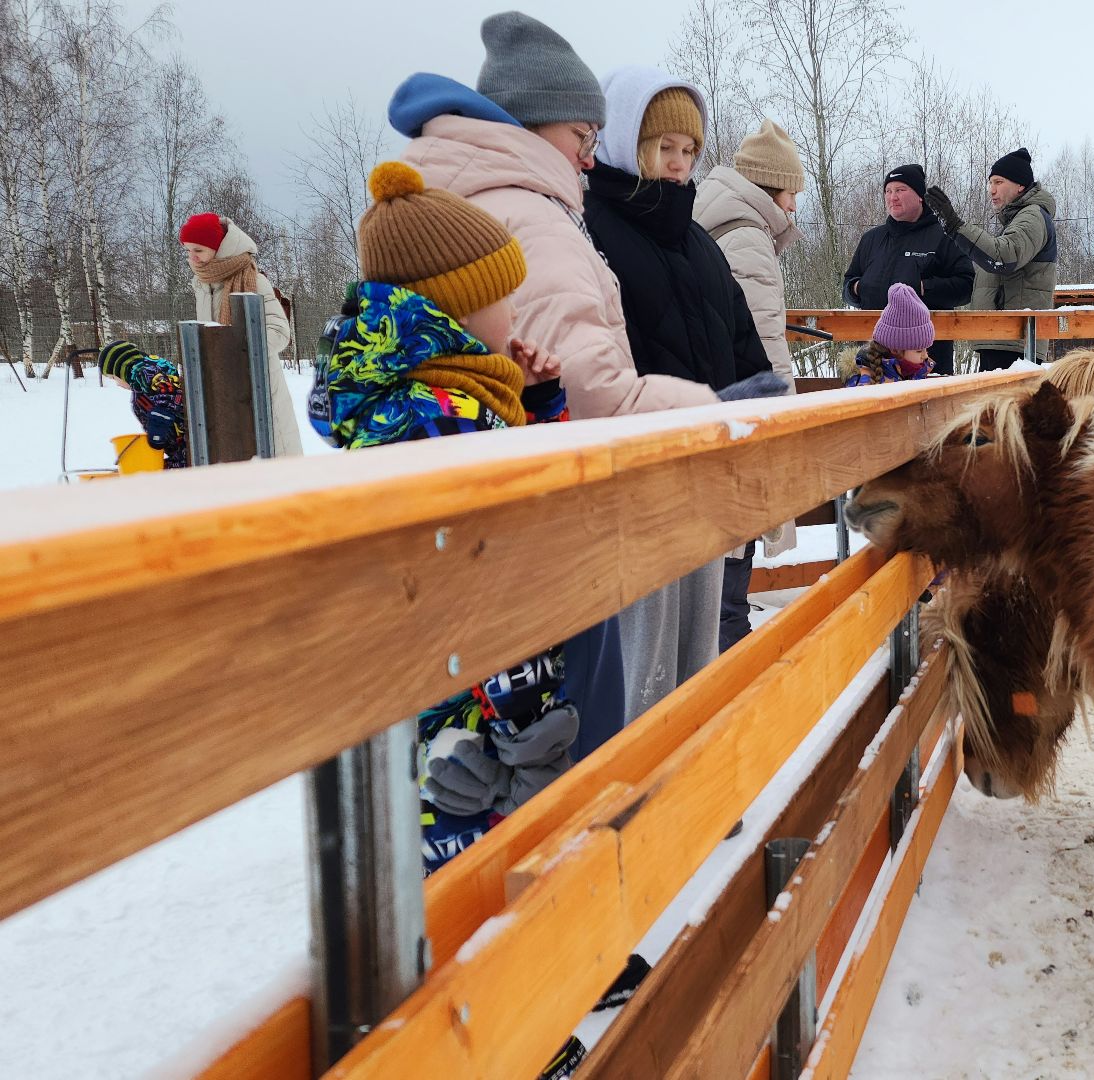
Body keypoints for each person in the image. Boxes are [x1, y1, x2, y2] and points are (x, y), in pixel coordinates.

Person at [389, 12, 718, 779]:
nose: (587, 155)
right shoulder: (529, 218)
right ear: (539, 129)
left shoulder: (494, 201)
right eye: (580, 136)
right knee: (578, 740)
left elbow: (536, 375)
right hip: (554, 531)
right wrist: (715, 409)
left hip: (488, 533)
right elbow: (593, 387)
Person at [309, 161, 578, 881]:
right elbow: (493, 553)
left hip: (459, 690)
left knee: (476, 842)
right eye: (504, 299)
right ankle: (504, 972)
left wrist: (540, 399)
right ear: (455, 309)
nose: (515, 316)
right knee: (474, 854)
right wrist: (517, 712)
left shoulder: (443, 396)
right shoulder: (439, 414)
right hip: (466, 696)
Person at [584, 65, 788, 715]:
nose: (677, 165)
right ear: (624, 142)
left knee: (702, 654)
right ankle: (643, 800)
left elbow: (745, 349)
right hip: (638, 484)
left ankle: (701, 792)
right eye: (663, 147)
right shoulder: (591, 230)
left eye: (689, 151)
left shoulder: (701, 243)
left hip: (711, 476)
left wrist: (761, 427)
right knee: (642, 670)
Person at [692, 118, 808, 650]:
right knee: (730, 576)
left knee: (716, 575)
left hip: (708, 408)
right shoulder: (747, 240)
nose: (793, 207)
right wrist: (783, 424)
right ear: (772, 188)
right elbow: (765, 352)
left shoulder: (717, 222)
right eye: (791, 194)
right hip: (739, 422)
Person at [178, 212, 306, 455]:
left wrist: (234, 351)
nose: (192, 258)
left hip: (259, 388)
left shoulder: (253, 280)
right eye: (187, 251)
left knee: (276, 464)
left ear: (218, 248)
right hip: (222, 390)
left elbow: (279, 332)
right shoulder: (203, 285)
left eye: (199, 250)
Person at [923, 147, 1058, 371]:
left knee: (1008, 406)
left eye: (998, 182)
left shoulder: (1032, 216)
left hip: (1015, 343)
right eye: (990, 183)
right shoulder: (1017, 220)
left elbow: (1002, 257)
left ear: (1020, 186)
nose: (992, 190)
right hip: (1001, 337)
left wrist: (956, 226)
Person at [840, 163, 974, 375]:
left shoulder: (942, 237)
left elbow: (967, 285)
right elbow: (847, 286)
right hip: (873, 360)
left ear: (920, 196)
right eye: (888, 191)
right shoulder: (871, 239)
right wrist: (858, 288)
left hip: (926, 359)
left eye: (900, 190)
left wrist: (923, 287)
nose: (892, 197)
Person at [97, 340, 185, 468]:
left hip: (184, 440)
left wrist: (158, 426)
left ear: (120, 368)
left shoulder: (145, 371)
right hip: (176, 444)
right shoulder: (141, 376)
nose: (116, 383)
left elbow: (169, 392)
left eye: (113, 377)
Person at [842, 283, 937, 386]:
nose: (925, 356)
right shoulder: (866, 380)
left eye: (925, 349)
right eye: (919, 350)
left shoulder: (916, 371)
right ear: (895, 350)